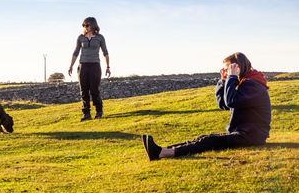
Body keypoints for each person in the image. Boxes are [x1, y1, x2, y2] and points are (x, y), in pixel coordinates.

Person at [142, 52, 271, 161]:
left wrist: (231, 77)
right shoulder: (245, 83)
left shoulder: (253, 85)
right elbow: (223, 104)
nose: (226, 72)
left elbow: (231, 101)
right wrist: (223, 81)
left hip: (252, 136)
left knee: (209, 141)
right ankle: (161, 150)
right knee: (202, 138)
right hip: (245, 133)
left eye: (227, 69)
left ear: (237, 67)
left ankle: (164, 153)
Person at [68, 17, 111, 121]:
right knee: (83, 91)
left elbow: (105, 52)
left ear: (93, 25)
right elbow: (76, 52)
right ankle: (86, 114)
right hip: (83, 66)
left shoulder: (100, 37)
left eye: (87, 25)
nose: (85, 27)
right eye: (84, 25)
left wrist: (108, 67)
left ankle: (99, 111)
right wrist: (71, 66)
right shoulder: (80, 38)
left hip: (95, 66)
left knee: (94, 90)